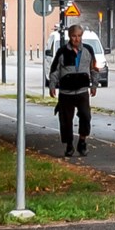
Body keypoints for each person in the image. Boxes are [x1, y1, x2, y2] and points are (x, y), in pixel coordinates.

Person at [45, 22, 99, 159]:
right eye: (74, 36)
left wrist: (94, 85)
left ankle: (82, 141)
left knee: (86, 116)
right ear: (70, 36)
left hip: (82, 91)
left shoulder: (88, 50)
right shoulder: (62, 51)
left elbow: (94, 69)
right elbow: (55, 70)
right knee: (66, 120)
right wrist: (52, 85)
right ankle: (69, 144)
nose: (76, 39)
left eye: (79, 36)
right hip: (66, 93)